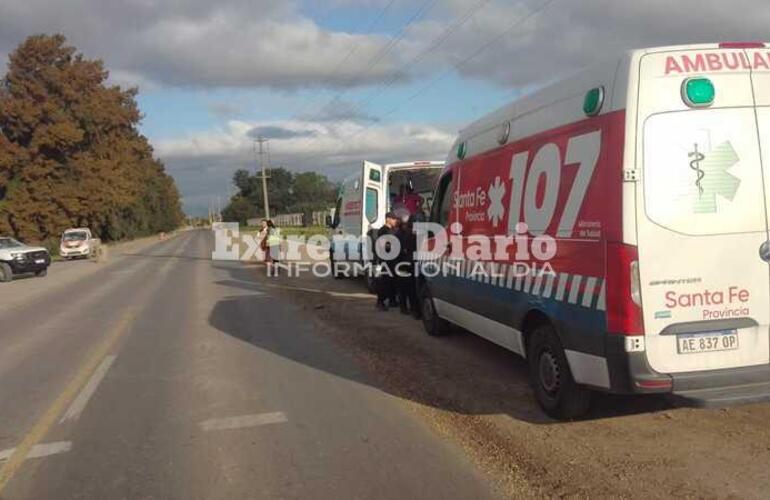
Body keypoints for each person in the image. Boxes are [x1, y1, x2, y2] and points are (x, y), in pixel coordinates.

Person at [396, 213, 420, 318]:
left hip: (407, 263)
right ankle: (409, 308)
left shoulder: (408, 233)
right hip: (406, 263)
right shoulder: (408, 235)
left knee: (408, 288)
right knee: (408, 288)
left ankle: (408, 308)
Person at [375, 212, 400, 311]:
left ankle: (392, 301)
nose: (395, 221)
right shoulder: (384, 231)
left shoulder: (391, 230)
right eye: (393, 219)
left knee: (392, 281)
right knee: (384, 281)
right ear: (388, 219)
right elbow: (386, 245)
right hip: (386, 259)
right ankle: (380, 302)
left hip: (391, 259)